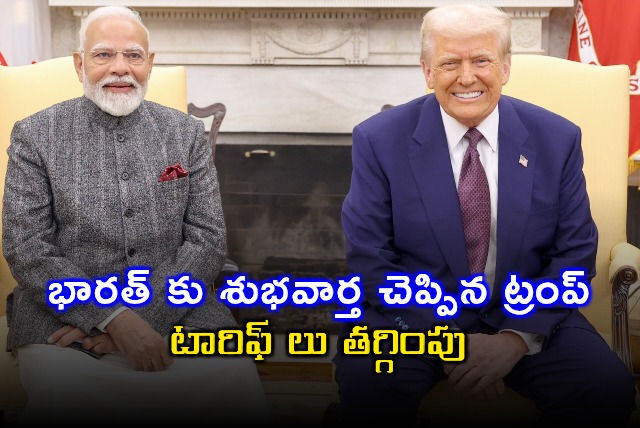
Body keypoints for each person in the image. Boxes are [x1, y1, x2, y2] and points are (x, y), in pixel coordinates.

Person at [332, 4, 637, 426]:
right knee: (368, 389)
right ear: (427, 71)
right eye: (449, 63)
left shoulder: (557, 138)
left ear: (505, 67)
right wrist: (455, 347)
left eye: (481, 61)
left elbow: (574, 251)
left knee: (606, 389)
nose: (467, 77)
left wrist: (513, 341)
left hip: (525, 314)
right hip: (413, 322)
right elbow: (370, 258)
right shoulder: (378, 139)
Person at [2, 6, 269, 425]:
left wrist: (144, 318)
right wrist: (108, 318)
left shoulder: (185, 133)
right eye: (103, 54)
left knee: (234, 380)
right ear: (80, 64)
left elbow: (207, 240)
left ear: (150, 64)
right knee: (68, 394)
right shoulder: (35, 134)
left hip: (178, 312)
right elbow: (27, 247)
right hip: (63, 319)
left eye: (133, 55)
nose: (120, 68)